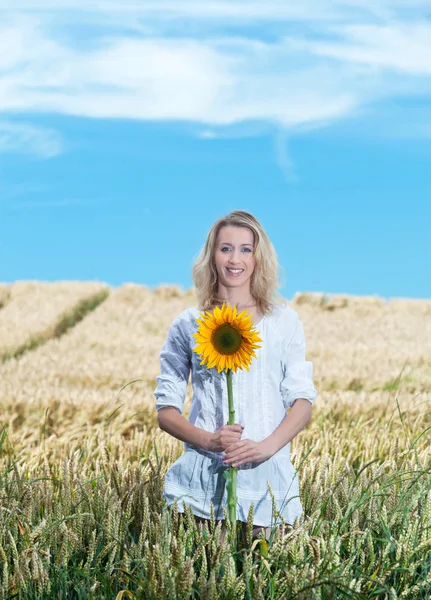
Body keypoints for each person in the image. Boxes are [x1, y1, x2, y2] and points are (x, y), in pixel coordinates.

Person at [154, 210, 318, 542]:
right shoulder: (188, 324)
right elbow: (165, 412)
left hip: (267, 482)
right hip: (202, 484)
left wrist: (265, 448)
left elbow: (302, 402)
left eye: (246, 249)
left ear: (259, 258)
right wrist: (209, 440)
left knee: (267, 585)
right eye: (225, 248)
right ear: (211, 256)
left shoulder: (283, 321)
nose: (235, 258)